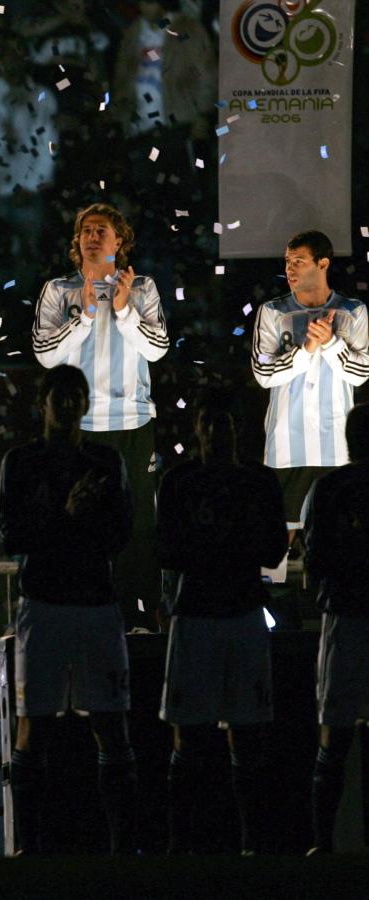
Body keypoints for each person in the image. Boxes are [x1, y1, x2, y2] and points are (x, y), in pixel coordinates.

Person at [0, 365, 136, 854]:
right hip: (46, 603)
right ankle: (29, 846)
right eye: (61, 396)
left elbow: (121, 534)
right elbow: (11, 535)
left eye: (77, 395)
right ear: (45, 403)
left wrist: (68, 524)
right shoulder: (21, 462)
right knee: (33, 723)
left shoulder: (106, 461)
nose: (70, 404)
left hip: (95, 602)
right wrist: (68, 516)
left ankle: (122, 845)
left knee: (110, 723)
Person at [155, 396, 285, 855]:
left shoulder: (247, 481)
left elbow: (272, 551)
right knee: (195, 737)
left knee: (242, 735)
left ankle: (230, 843)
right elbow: (166, 551)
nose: (215, 434)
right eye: (209, 425)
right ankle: (189, 842)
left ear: (234, 430)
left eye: (222, 424)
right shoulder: (183, 482)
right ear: (198, 432)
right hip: (205, 615)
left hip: (229, 614)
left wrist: (211, 544)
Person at [32, 204, 169, 629]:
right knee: (76, 522)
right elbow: (45, 353)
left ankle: (139, 619)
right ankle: (79, 611)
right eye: (86, 230)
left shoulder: (141, 286)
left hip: (133, 423)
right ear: (77, 242)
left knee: (137, 525)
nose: (92, 236)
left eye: (102, 230)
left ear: (119, 241)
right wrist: (86, 314)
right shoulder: (58, 289)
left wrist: (125, 310)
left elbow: (158, 348)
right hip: (81, 427)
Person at [251, 231, 368, 539]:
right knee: (280, 533)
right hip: (287, 443)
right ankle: (273, 585)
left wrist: (330, 343)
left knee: (335, 533)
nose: (290, 268)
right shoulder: (272, 312)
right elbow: (264, 375)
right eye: (288, 261)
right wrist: (306, 351)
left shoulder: (353, 310)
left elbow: (360, 374)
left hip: (335, 447)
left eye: (299, 261)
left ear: (323, 263)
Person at [303, 403, 369, 855]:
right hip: (345, 614)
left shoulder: (327, 488)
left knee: (334, 736)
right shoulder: (327, 488)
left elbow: (314, 559)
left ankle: (322, 845)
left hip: (344, 618)